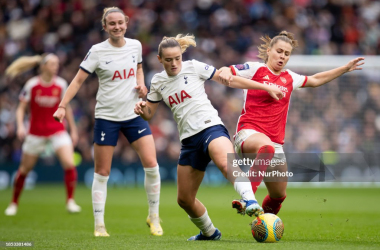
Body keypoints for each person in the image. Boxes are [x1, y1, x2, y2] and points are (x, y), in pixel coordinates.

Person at [134, 34, 284, 241]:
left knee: (225, 163)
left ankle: (250, 200)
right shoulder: (158, 81)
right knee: (184, 199)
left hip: (211, 128)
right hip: (188, 141)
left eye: (177, 58)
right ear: (160, 60)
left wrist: (266, 87)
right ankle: (210, 232)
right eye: (168, 60)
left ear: (181, 55)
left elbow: (228, 79)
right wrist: (142, 109)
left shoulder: (194, 67)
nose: (174, 63)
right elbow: (149, 112)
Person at [218, 30, 365, 215]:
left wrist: (344, 69)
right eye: (279, 51)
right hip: (247, 135)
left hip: (275, 143)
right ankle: (248, 198)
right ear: (269, 50)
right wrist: (223, 70)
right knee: (266, 148)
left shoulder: (290, 78)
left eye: (286, 54)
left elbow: (315, 79)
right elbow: (227, 71)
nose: (282, 56)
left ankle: (261, 223)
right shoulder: (255, 69)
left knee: (278, 196)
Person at [53, 7, 163, 237]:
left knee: (152, 165)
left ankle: (154, 216)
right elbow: (77, 81)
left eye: (120, 22)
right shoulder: (97, 51)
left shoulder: (135, 45)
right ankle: (99, 225)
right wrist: (62, 105)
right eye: (111, 24)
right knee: (102, 172)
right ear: (105, 27)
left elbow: (139, 68)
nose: (117, 27)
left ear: (126, 23)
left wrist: (141, 86)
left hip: (134, 114)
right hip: (107, 118)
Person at [4, 53, 81, 216]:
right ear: (43, 66)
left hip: (57, 130)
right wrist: (20, 127)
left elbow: (66, 108)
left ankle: (70, 201)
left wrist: (73, 130)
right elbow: (21, 108)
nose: (56, 67)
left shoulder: (61, 84)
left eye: (57, 63)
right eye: (53, 64)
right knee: (24, 169)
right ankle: (14, 203)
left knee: (69, 163)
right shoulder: (32, 85)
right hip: (36, 133)